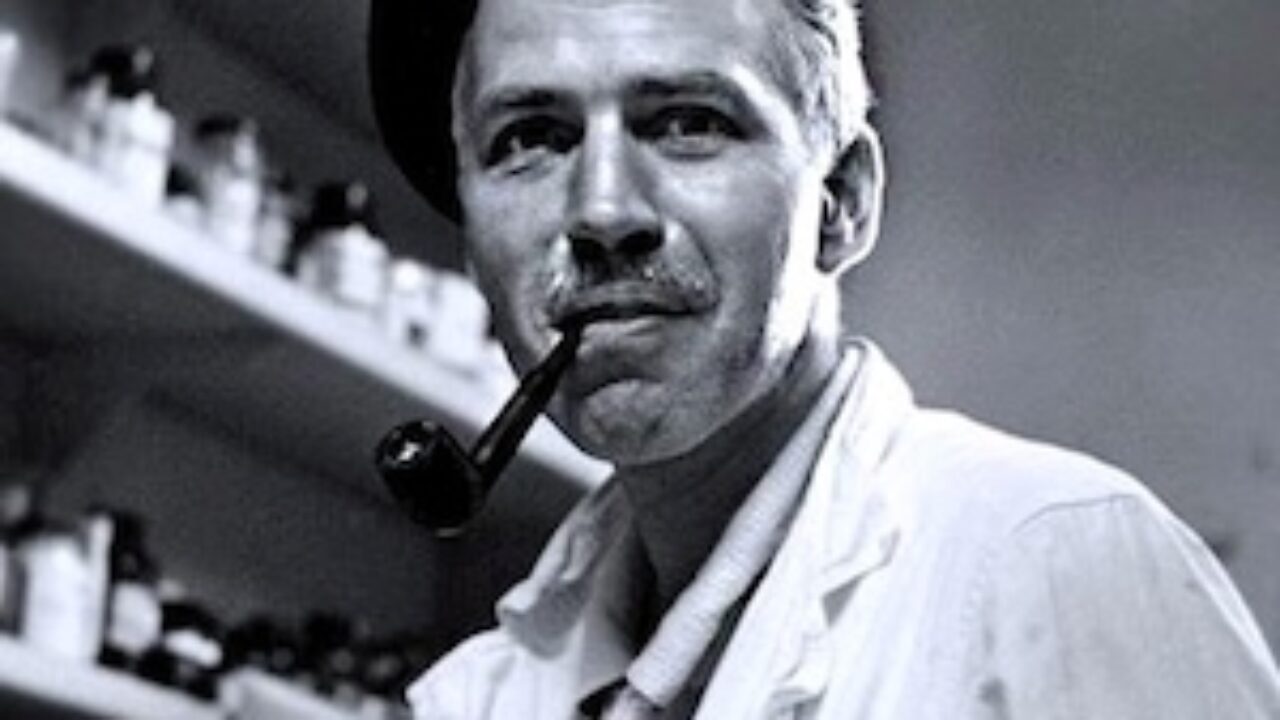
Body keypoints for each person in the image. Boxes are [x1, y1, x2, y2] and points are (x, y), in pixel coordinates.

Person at [367, 0, 1280, 717]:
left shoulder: (1055, 566)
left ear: (841, 201)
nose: (603, 211)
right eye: (529, 139)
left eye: (688, 121)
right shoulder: (483, 695)